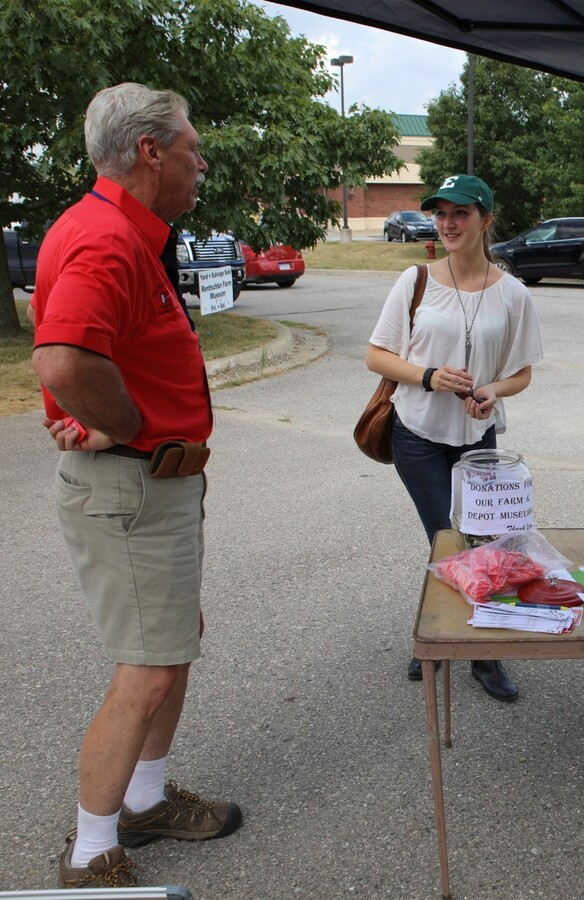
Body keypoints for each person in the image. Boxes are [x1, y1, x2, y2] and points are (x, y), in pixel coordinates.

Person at [30, 83, 241, 889]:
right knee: (148, 667)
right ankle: (91, 854)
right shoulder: (107, 238)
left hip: (153, 485)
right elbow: (62, 359)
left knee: (171, 649)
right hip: (130, 484)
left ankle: (146, 802)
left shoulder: (122, 231)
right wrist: (125, 425)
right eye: (192, 148)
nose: (201, 161)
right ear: (151, 152)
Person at [366, 174, 543, 702]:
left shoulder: (513, 294)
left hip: (477, 436)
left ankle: (485, 656)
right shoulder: (415, 280)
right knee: (444, 541)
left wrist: (490, 388)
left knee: (482, 544)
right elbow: (377, 355)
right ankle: (440, 640)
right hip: (417, 434)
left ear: (486, 220)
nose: (448, 223)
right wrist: (427, 376)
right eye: (441, 213)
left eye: (461, 213)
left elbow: (523, 373)